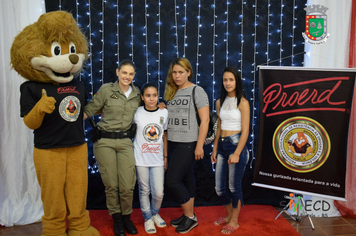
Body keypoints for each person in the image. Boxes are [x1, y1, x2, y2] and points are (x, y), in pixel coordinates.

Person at [83, 59, 141, 236]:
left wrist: (160, 106)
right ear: (118, 72)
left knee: (127, 185)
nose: (127, 77)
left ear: (134, 75)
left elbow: (148, 108)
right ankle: (116, 219)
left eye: (131, 74)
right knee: (112, 184)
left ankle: (126, 217)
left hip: (125, 142)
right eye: (124, 73)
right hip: (105, 142)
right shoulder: (107, 90)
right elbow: (90, 109)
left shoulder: (137, 93)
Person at [164, 58, 210, 234]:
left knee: (172, 181)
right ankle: (187, 215)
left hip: (189, 142)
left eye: (181, 72)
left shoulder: (197, 91)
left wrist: (199, 145)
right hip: (174, 141)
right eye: (174, 72)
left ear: (188, 72)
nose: (177, 76)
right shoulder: (171, 92)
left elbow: (205, 120)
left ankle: (190, 217)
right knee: (187, 178)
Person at [210, 66, 250, 234]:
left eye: (231, 80)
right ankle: (229, 215)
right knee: (219, 188)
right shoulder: (220, 101)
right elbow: (219, 126)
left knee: (234, 187)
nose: (228, 83)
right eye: (225, 80)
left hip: (236, 145)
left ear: (237, 81)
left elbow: (246, 130)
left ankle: (234, 221)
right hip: (222, 147)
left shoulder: (243, 102)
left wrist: (237, 153)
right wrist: (214, 148)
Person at [133, 83, 168, 234]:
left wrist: (165, 156)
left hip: (157, 159)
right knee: (144, 189)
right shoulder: (137, 112)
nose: (152, 99)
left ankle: (154, 213)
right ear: (142, 97)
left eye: (154, 95)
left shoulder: (164, 112)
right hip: (140, 158)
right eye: (148, 95)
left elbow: (164, 135)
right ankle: (147, 217)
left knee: (159, 192)